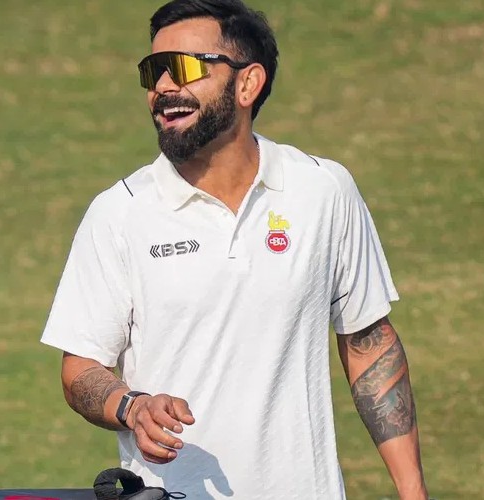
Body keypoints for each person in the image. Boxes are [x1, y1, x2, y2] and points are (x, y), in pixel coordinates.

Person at [41, 0, 428, 498]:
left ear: (248, 83)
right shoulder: (119, 213)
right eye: (152, 72)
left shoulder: (322, 190)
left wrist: (413, 492)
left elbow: (369, 344)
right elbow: (79, 370)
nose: (162, 88)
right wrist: (131, 406)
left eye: (182, 68)